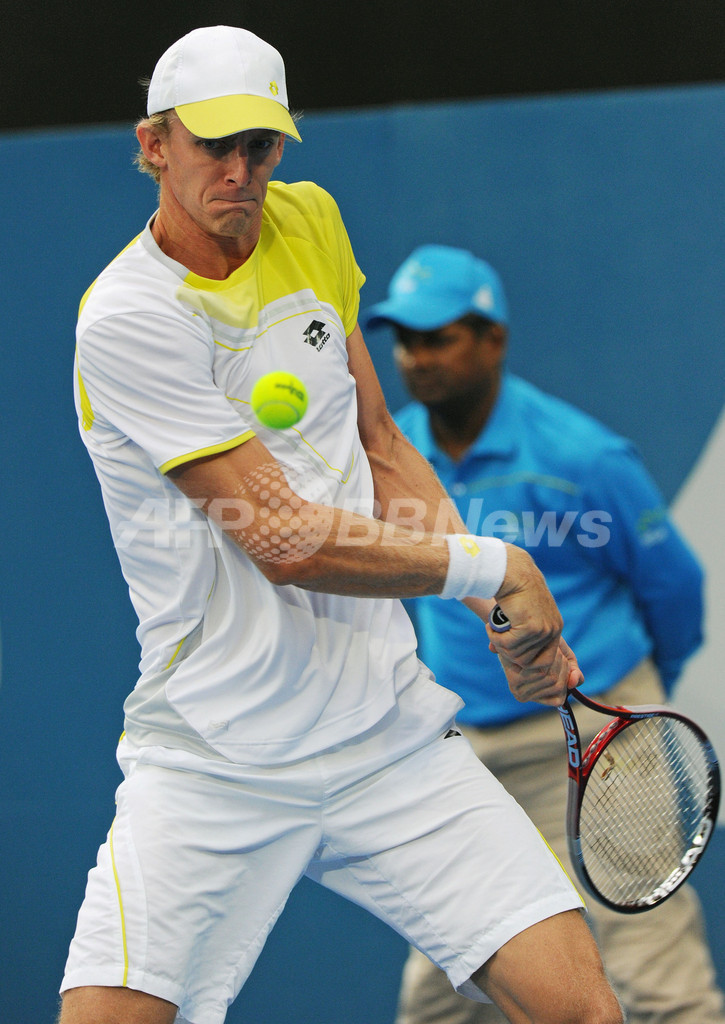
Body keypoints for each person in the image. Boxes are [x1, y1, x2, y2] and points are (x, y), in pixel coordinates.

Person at [58, 27, 625, 1024]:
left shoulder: (309, 219)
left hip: (384, 737)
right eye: (214, 145)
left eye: (261, 146)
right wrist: (491, 567)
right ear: (153, 144)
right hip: (214, 759)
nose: (241, 172)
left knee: (582, 1010)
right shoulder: (129, 317)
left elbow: (379, 442)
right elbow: (281, 539)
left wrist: (491, 611)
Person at [363, 243, 725, 1024]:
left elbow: (673, 590)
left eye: (439, 337)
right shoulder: (391, 459)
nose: (417, 358)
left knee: (659, 984)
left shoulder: (581, 457)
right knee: (438, 999)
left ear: (492, 339)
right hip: (463, 750)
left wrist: (623, 695)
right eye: (406, 341)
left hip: (597, 739)